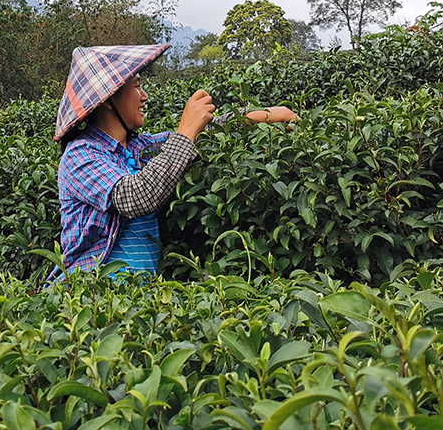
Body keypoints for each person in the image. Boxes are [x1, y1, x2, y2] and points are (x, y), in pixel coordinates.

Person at [53, 44, 297, 279]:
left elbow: (208, 133)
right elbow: (135, 196)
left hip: (142, 295)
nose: (144, 96)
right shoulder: (81, 155)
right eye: (137, 87)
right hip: (93, 293)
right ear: (107, 98)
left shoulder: (139, 147)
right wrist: (187, 128)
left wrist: (270, 114)